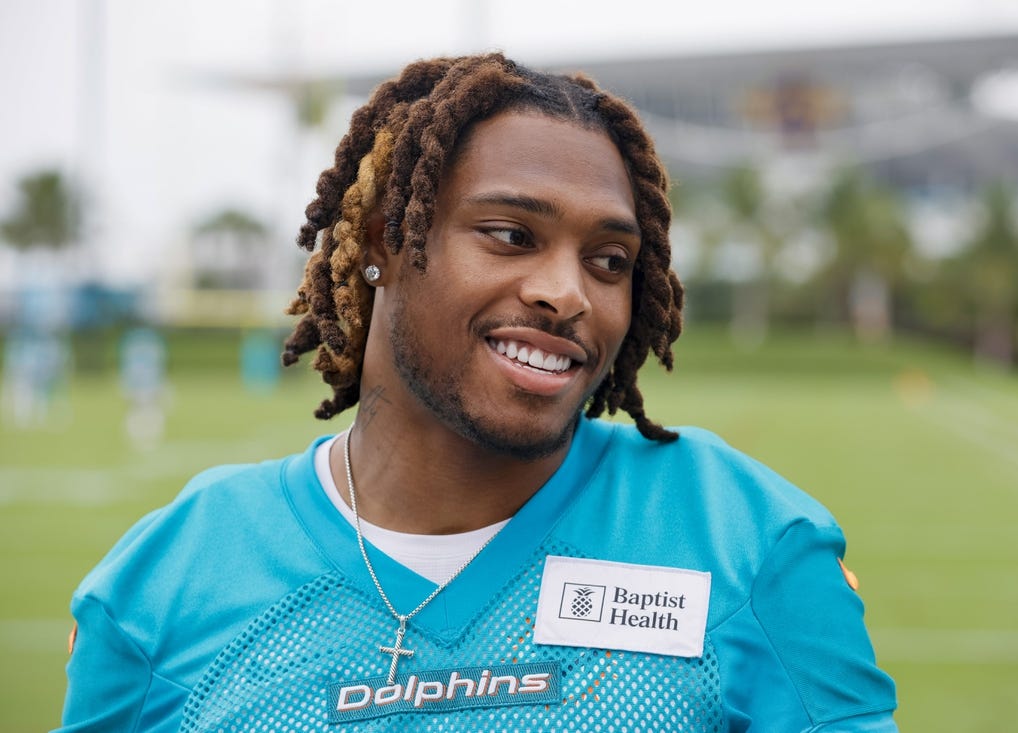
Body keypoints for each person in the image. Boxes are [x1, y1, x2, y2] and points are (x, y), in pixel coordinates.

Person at [57, 53, 898, 732]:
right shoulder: (162, 586)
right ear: (388, 238)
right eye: (510, 235)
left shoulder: (746, 542)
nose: (567, 292)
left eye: (609, 261)